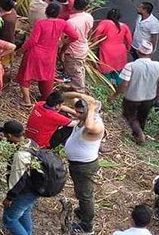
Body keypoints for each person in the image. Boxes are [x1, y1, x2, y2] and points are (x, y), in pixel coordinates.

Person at [16, 2, 79, 107]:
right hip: (50, 55)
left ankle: (27, 100)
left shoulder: (40, 23)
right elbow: (75, 36)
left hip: (35, 54)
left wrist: (21, 50)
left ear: (46, 12)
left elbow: (33, 41)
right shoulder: (63, 23)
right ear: (59, 13)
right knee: (47, 77)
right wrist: (63, 42)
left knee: (25, 75)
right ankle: (46, 99)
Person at [61, 92, 105, 235]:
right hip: (77, 165)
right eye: (77, 111)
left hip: (84, 166)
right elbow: (65, 96)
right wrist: (82, 96)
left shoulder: (96, 125)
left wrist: (91, 107)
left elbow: (89, 127)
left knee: (86, 196)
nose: (76, 114)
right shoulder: (84, 116)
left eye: (80, 112)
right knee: (80, 191)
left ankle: (87, 226)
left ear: (89, 112)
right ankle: (83, 211)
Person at [109, 40, 159, 144]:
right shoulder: (158, 65)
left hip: (132, 97)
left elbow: (124, 84)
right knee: (142, 116)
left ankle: (139, 134)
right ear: (151, 54)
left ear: (138, 52)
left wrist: (114, 95)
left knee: (129, 115)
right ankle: (138, 135)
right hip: (149, 97)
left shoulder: (130, 66)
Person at [0, 120, 39, 235]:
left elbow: (18, 181)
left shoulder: (20, 156)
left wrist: (9, 198)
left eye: (5, 135)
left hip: (24, 192)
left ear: (9, 136)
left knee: (9, 220)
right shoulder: (31, 143)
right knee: (24, 212)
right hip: (34, 188)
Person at [94, 8, 133, 85]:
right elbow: (129, 40)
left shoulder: (105, 22)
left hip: (106, 50)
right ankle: (118, 86)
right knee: (118, 71)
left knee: (106, 69)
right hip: (120, 51)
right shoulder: (124, 26)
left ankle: (107, 85)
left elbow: (98, 31)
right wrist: (128, 49)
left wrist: (95, 41)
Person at [62, 0, 94, 89]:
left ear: (73, 5)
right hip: (83, 47)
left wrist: (62, 51)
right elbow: (90, 32)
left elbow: (68, 40)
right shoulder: (89, 17)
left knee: (75, 71)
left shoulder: (71, 22)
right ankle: (76, 85)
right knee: (79, 68)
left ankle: (79, 90)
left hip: (74, 50)